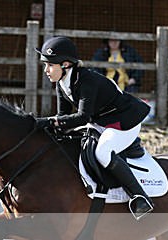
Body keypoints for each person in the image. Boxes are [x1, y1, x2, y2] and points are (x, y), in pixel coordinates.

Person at [36, 36, 153, 219]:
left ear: (65, 64)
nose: (46, 70)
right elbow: (63, 118)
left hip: (124, 122)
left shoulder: (87, 81)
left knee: (103, 152)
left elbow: (83, 117)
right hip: (101, 122)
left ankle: (140, 197)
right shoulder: (61, 83)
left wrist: (49, 122)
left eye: (50, 65)